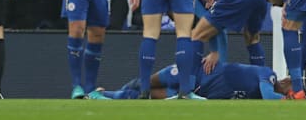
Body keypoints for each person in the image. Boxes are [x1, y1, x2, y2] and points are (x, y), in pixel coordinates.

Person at [191, 0, 268, 72]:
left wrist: (215, 53)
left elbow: (214, 27)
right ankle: (263, 78)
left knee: (196, 35)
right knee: (252, 38)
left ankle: (192, 81)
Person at [101, 61, 291, 100]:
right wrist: (285, 101)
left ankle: (102, 95)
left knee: (146, 97)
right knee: (146, 82)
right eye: (291, 87)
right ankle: (111, 91)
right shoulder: (269, 74)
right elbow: (268, 94)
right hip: (195, 71)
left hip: (196, 94)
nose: (289, 91)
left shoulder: (255, 100)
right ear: (285, 80)